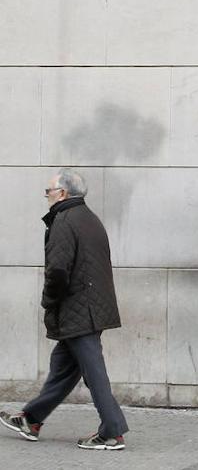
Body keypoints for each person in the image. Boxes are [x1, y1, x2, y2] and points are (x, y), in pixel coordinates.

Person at [0, 169, 128, 450]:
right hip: (90, 308)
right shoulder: (89, 218)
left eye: (48, 191)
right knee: (63, 369)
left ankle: (112, 431)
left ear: (63, 193)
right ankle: (31, 419)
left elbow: (57, 269)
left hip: (78, 310)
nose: (46, 196)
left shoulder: (64, 220)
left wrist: (49, 299)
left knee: (94, 373)